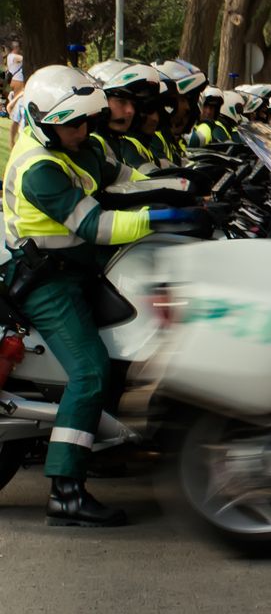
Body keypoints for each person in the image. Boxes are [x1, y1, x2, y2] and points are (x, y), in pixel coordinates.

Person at [4, 66, 202, 526]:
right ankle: (66, 491)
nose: (81, 130)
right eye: (71, 123)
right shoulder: (38, 168)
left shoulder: (85, 145)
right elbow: (96, 224)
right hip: (47, 280)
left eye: (86, 121)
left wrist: (185, 186)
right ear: (40, 119)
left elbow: (126, 180)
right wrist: (165, 216)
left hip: (83, 267)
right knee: (90, 371)